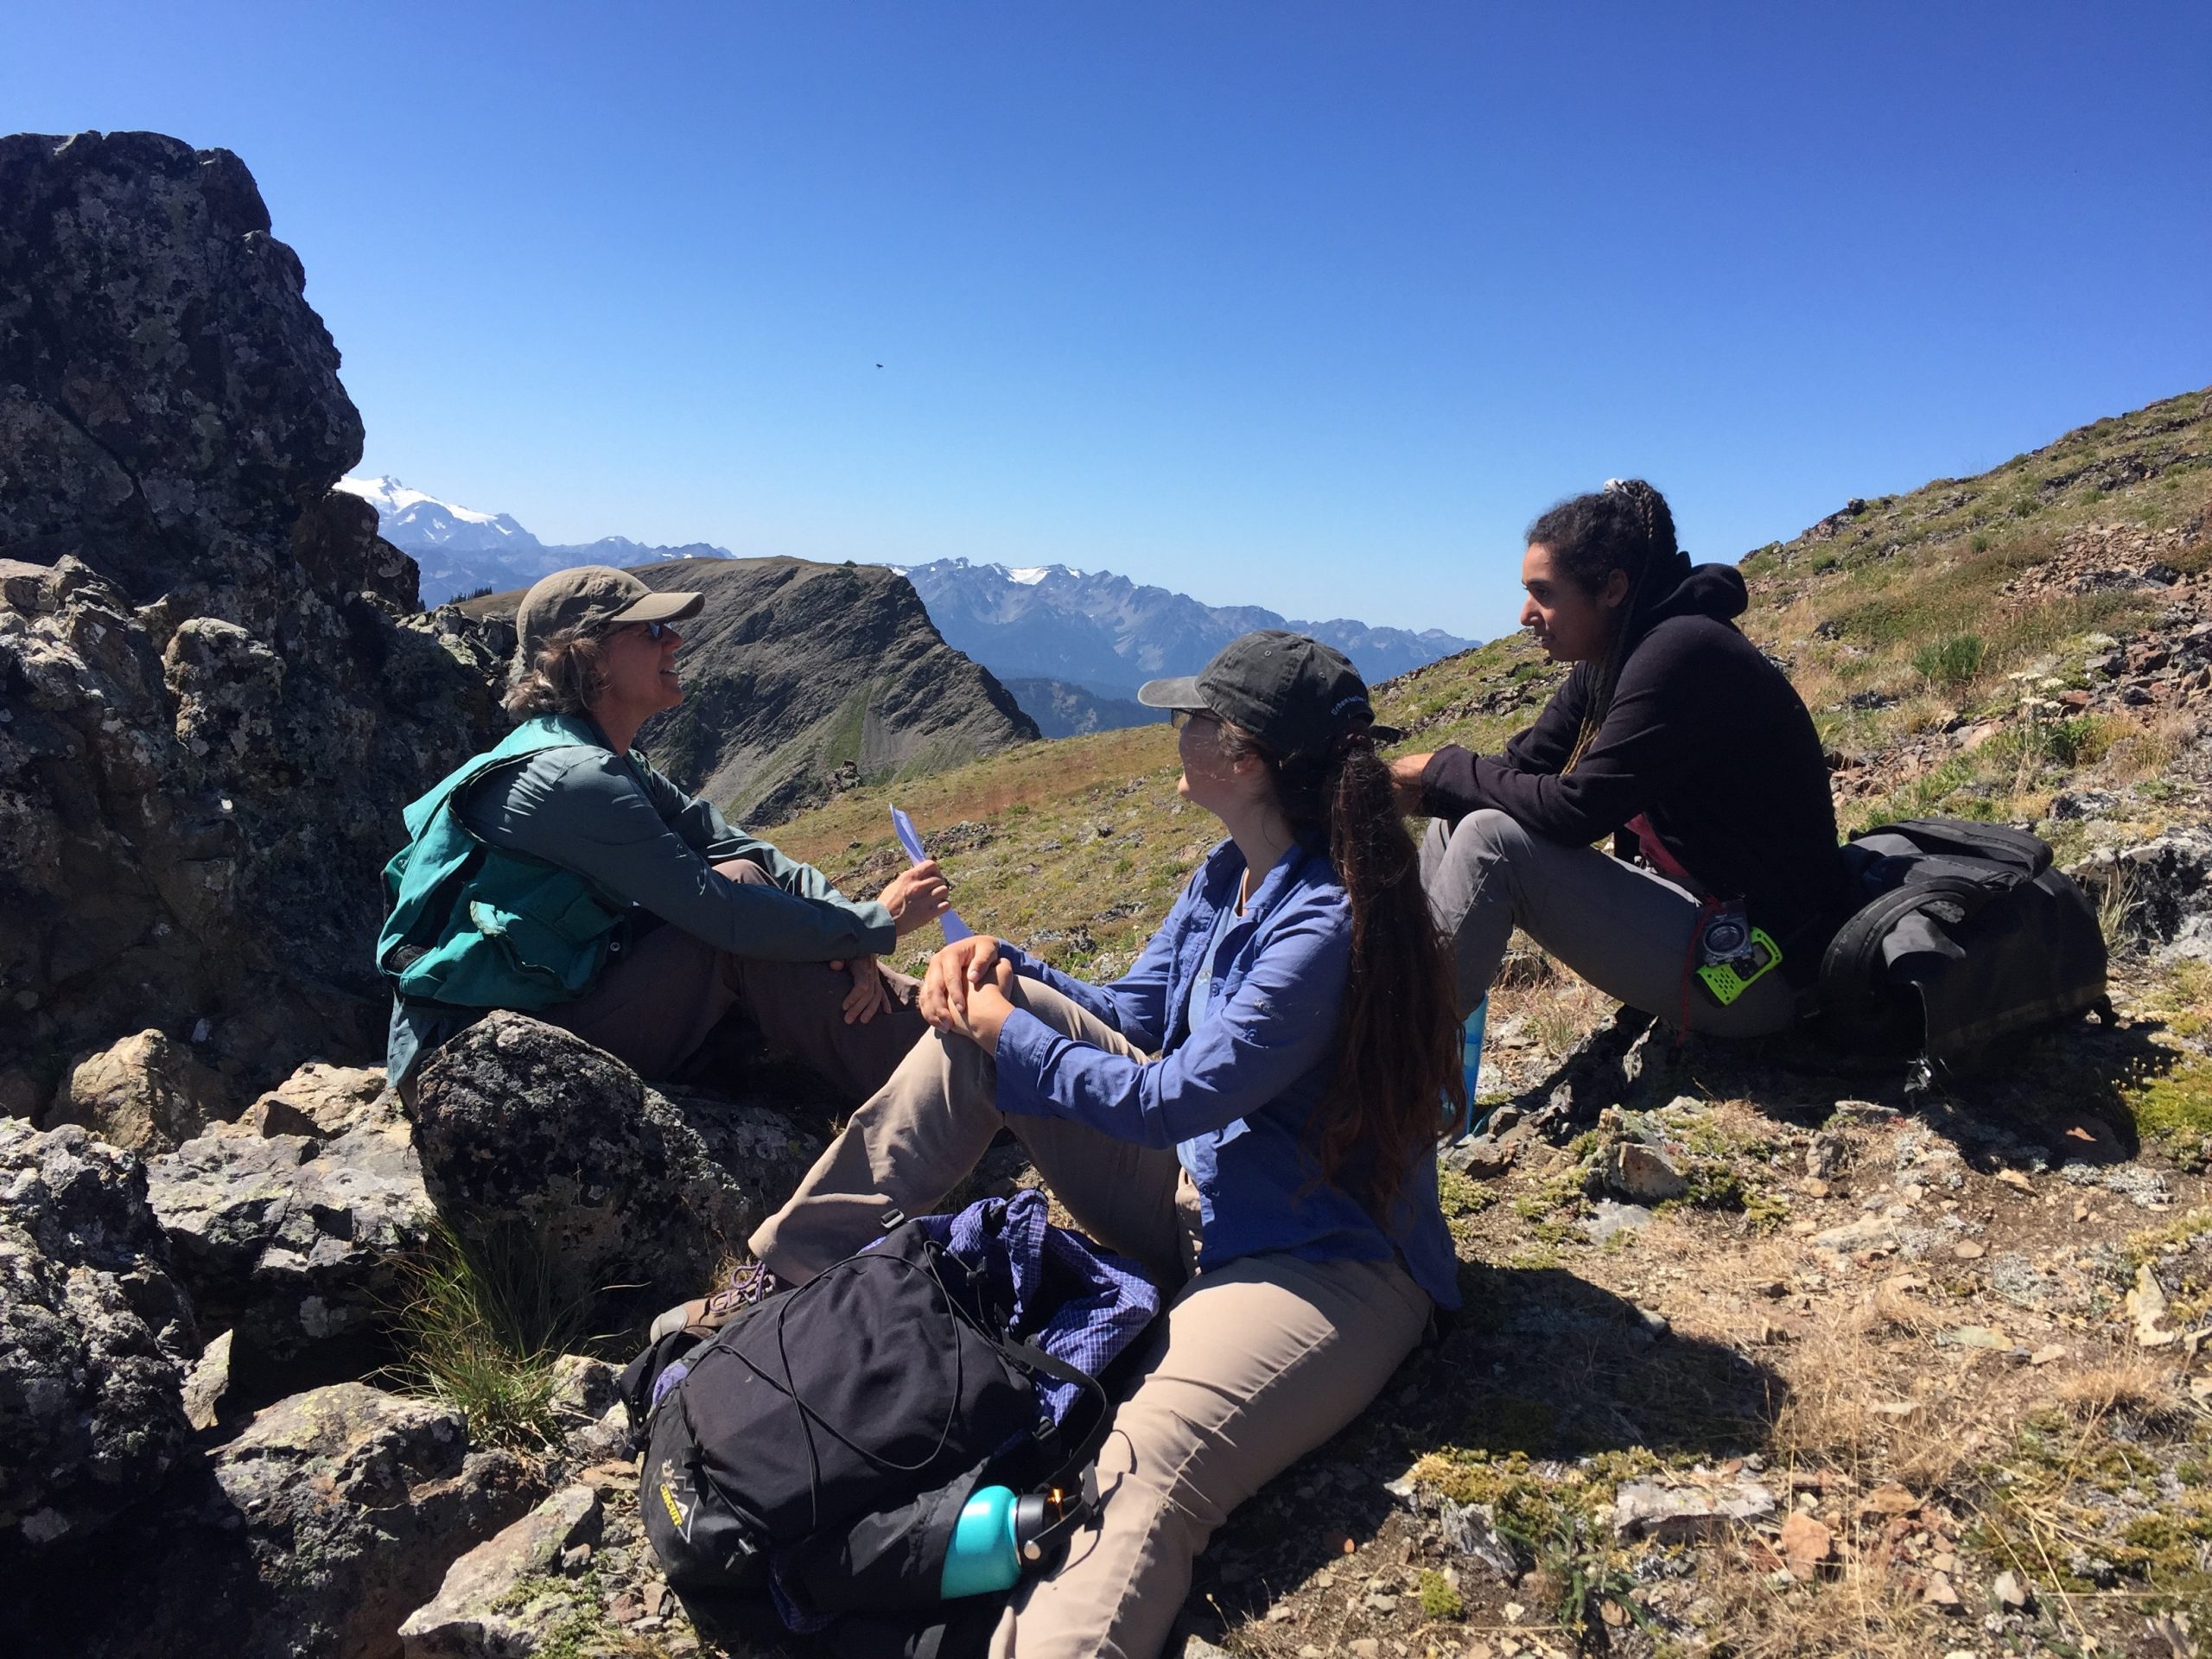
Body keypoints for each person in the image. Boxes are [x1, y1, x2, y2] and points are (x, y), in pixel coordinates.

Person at [659, 630, 1464, 1659]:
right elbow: (1131, 1008)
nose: (1174, 733)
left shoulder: (1322, 924)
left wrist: (1010, 1025)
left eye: (1193, 718)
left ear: (1244, 756)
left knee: (1147, 1462)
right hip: (1202, 1197)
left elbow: (1175, 1095)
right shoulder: (1236, 872)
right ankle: (774, 1281)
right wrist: (1003, 966)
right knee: (995, 1025)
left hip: (1317, 1266)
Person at [378, 564, 951, 1100]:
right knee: (728, 937)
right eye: (652, 630)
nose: (674, 641)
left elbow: (738, 849)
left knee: (749, 878)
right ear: (589, 659)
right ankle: (951, 1089)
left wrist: (855, 933)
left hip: (539, 1008)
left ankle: (939, 1017)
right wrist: (876, 923)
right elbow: (719, 912)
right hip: (472, 1062)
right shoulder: (575, 778)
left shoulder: (605, 758)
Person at [1390, 480, 1851, 1037]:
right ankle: (1386, 1002)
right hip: (1705, 924)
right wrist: (1405, 789)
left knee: (1490, 840)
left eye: (1544, 592)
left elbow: (1579, 810)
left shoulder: (1683, 653)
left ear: (1611, 588)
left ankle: (1391, 1066)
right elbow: (1521, 766)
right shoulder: (1614, 658)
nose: (1525, 614)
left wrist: (1440, 767)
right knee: (1455, 821)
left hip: (1761, 970)